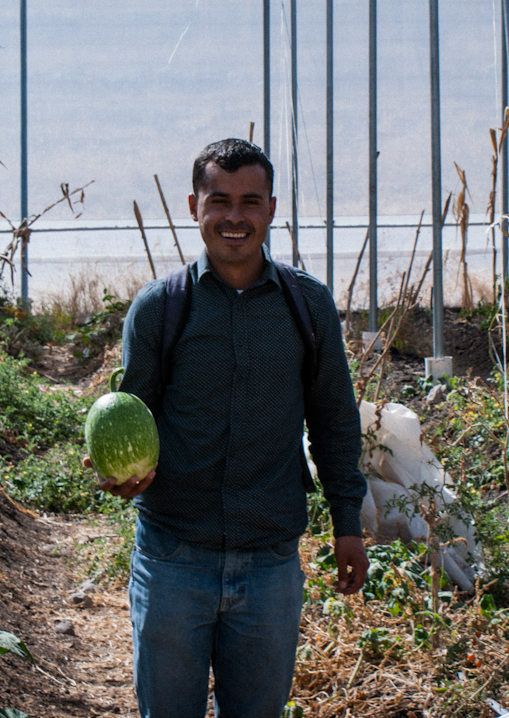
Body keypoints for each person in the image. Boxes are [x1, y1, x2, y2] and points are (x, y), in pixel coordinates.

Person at [87, 138, 368, 718]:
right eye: (220, 201)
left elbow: (335, 419)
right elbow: (132, 412)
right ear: (194, 206)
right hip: (172, 559)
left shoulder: (307, 306)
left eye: (250, 201)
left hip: (269, 562)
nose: (234, 217)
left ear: (270, 208)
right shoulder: (161, 307)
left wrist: (348, 523)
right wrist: (118, 468)